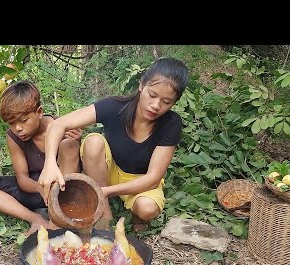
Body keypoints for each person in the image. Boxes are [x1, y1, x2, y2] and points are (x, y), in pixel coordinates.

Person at [38, 57, 189, 229]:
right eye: (152, 95)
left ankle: (136, 217)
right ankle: (105, 213)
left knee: (147, 209)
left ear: (174, 102)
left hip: (141, 179)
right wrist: (49, 163)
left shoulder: (171, 123)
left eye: (166, 102)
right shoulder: (115, 106)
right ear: (141, 85)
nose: (155, 105)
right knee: (93, 141)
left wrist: (105, 192)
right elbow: (59, 124)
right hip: (109, 171)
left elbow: (153, 178)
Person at [0, 80, 82, 236]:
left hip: (63, 192)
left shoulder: (61, 126)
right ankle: (35, 218)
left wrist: (77, 141)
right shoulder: (14, 136)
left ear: (39, 112)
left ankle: (57, 221)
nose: (18, 128)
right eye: (12, 123)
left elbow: (73, 166)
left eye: (24, 120)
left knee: (69, 145)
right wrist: (41, 189)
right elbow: (22, 179)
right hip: (35, 190)